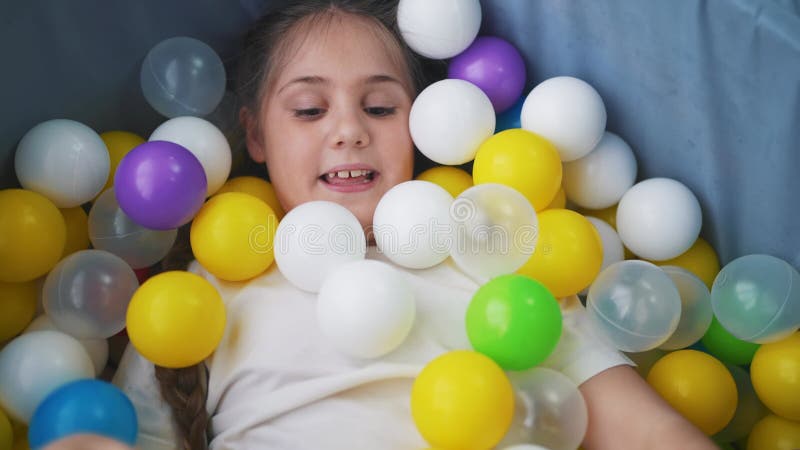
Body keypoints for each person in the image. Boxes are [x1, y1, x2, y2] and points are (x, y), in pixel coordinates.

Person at [106, 1, 719, 449]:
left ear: (423, 126)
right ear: (257, 134)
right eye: (310, 109)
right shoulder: (202, 291)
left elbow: (642, 429)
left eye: (379, 107)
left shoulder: (493, 263)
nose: (348, 130)